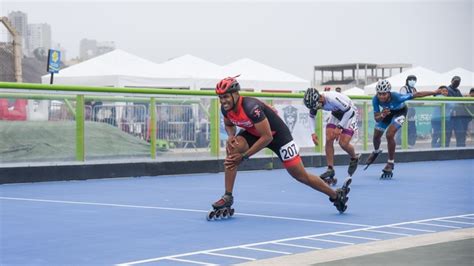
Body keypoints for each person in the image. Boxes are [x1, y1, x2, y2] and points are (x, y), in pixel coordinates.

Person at [208, 76, 352, 219]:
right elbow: (228, 125)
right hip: (254, 133)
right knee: (233, 148)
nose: (223, 101)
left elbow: (267, 137)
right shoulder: (226, 109)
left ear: (235, 94)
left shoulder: (251, 108)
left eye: (225, 97)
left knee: (301, 176)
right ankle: (228, 196)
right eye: (220, 98)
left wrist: (244, 156)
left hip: (277, 136)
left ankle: (336, 195)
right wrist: (231, 136)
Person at [364, 79, 441, 179]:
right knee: (376, 136)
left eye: (384, 94)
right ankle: (376, 151)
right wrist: (382, 114)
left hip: (400, 112)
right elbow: (377, 119)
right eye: (380, 94)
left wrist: (434, 92)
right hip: (387, 113)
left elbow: (417, 94)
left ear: (389, 93)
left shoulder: (397, 97)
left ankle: (390, 162)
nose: (382, 96)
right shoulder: (375, 99)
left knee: (389, 134)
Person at [303, 88, 359, 185]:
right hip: (336, 114)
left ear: (320, 98)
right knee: (329, 138)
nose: (316, 108)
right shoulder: (315, 102)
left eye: (316, 106)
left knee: (343, 143)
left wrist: (339, 127)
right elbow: (311, 117)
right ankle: (330, 169)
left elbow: (349, 112)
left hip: (350, 113)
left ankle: (354, 157)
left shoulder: (332, 98)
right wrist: (313, 133)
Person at [446, 76, 469, 147]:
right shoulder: (447, 90)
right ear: (451, 81)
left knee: (460, 134)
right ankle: (445, 150)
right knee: (447, 135)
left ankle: (461, 150)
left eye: (458, 82)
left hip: (458, 117)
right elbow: (451, 103)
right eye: (455, 81)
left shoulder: (458, 91)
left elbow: (462, 102)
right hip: (449, 117)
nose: (456, 83)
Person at [398, 75, 418, 147]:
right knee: (400, 130)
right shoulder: (404, 88)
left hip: (411, 114)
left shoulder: (414, 89)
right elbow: (403, 99)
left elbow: (416, 99)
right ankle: (399, 145)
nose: (412, 81)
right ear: (407, 80)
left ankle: (410, 145)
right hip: (403, 112)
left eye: (414, 80)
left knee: (412, 131)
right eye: (411, 79)